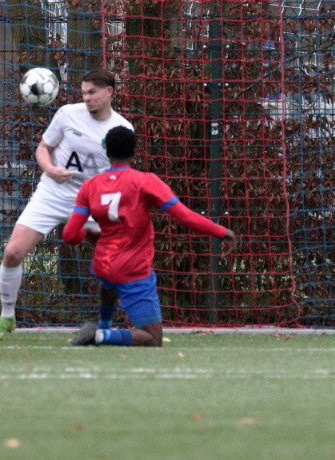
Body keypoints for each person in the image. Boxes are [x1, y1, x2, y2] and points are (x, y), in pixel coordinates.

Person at [0, 70, 134, 341]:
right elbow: (43, 148)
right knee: (13, 252)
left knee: (119, 263)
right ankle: (7, 316)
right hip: (54, 193)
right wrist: (51, 169)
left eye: (92, 93)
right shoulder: (67, 114)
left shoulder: (122, 129)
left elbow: (120, 174)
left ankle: (136, 322)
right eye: (84, 92)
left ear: (110, 92)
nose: (86, 98)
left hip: (93, 201)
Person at [63, 127, 236, 347]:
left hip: (102, 263)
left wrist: (85, 234)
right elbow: (185, 217)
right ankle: (99, 336)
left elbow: (69, 235)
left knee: (108, 283)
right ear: (135, 151)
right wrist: (222, 232)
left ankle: (103, 323)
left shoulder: (89, 186)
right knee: (153, 338)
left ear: (107, 152)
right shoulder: (145, 181)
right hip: (132, 268)